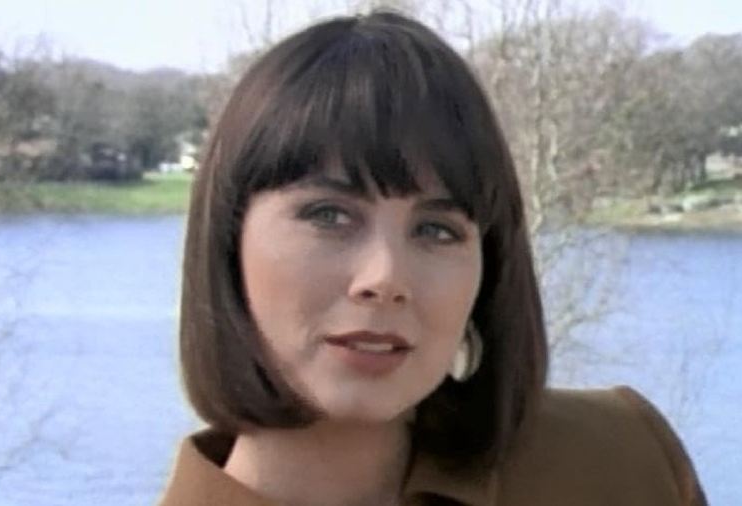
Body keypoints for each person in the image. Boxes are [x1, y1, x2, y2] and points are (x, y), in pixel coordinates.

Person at [158, 10, 707, 506]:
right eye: (329, 215)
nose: (384, 277)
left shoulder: (621, 465)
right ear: (229, 241)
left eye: (436, 230)